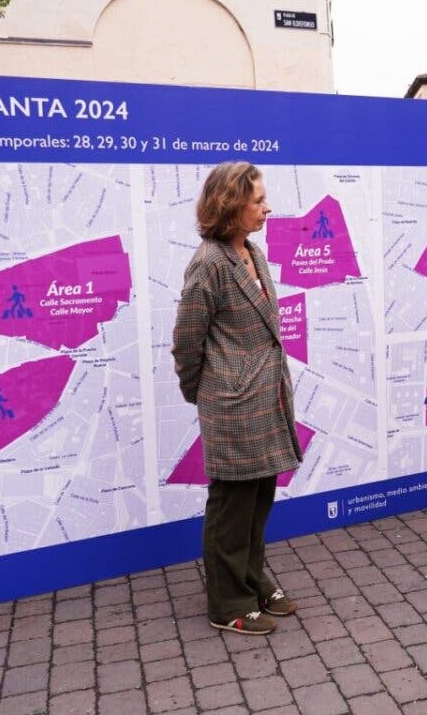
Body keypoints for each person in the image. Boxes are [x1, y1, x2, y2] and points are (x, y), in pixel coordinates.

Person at [172, 161, 303, 635]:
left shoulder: (253, 252)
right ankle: (227, 602)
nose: (267, 207)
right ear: (230, 206)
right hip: (231, 401)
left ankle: (251, 578)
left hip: (266, 397)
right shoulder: (208, 263)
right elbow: (188, 341)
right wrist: (204, 392)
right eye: (258, 201)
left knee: (259, 496)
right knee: (232, 503)